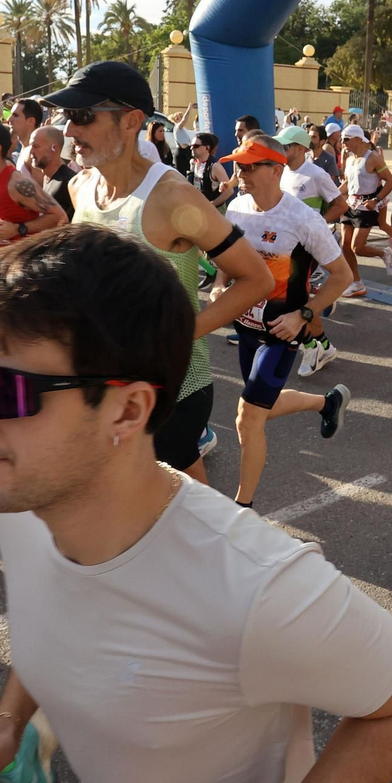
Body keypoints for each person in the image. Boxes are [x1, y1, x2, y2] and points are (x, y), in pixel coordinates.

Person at [0, 226, 392, 783]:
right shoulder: (26, 502)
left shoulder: (255, 588)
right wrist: (7, 727)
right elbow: (61, 616)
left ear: (127, 409)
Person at [49, 60, 274, 480]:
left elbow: (256, 279)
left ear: (131, 120)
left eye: (82, 116)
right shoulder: (81, 187)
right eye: (67, 117)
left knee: (183, 508)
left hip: (170, 386)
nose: (68, 130)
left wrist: (177, 335)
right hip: (103, 381)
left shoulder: (173, 197)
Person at [214, 134, 353, 507]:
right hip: (244, 328)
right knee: (261, 405)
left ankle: (242, 507)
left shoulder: (303, 219)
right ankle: (327, 404)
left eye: (248, 166)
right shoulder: (237, 208)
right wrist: (220, 285)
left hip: (282, 331)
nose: (239, 172)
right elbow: (229, 259)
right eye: (238, 165)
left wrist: (304, 314)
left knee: (248, 417)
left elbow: (342, 277)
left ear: (275, 170)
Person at [275, 124, 349, 376]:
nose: (281, 149)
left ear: (301, 148)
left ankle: (311, 347)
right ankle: (323, 346)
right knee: (296, 298)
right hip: (282, 244)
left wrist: (318, 224)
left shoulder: (316, 174)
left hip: (304, 247)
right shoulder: (281, 172)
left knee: (292, 298)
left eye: (286, 145)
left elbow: (341, 204)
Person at [338, 123, 392, 294]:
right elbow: (348, 183)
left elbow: (391, 181)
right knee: (345, 246)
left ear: (358, 139)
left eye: (346, 139)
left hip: (366, 207)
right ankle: (357, 283)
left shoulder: (373, 158)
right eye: (343, 139)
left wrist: (376, 199)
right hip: (349, 204)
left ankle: (384, 253)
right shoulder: (349, 159)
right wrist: (333, 195)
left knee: (358, 248)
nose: (343, 143)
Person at [26, 125, 75, 220]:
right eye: (30, 146)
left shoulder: (69, 182)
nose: (31, 151)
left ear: (54, 149)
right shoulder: (47, 178)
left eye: (35, 146)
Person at [186, 131, 235, 209]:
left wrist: (211, 205)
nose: (191, 148)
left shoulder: (215, 166)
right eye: (191, 145)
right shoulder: (193, 163)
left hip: (215, 211)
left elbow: (229, 191)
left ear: (207, 148)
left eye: (196, 146)